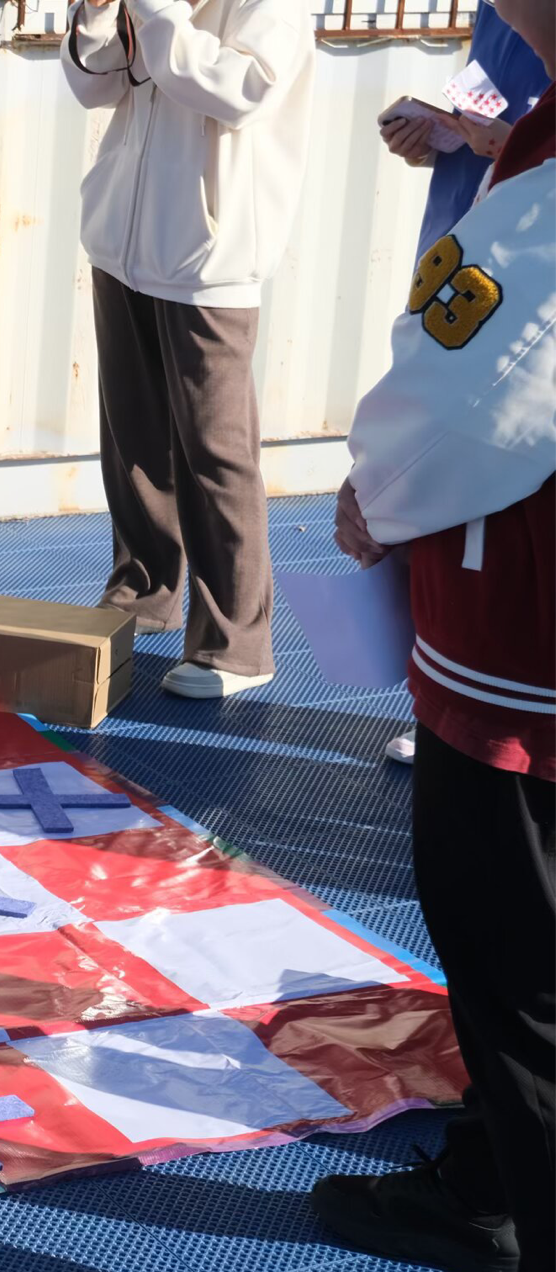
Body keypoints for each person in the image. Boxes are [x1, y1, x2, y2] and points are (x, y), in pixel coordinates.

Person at [317, 1, 556, 1272]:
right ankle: (489, 1177)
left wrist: (379, 490)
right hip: (508, 632)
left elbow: (481, 392)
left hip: (520, 651)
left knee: (515, 965)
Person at [62, 0, 315, 698]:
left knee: (215, 452)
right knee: (132, 435)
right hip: (121, 240)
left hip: (211, 256)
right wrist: (97, 15)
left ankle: (236, 646)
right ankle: (144, 593)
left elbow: (241, 91)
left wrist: (155, 10)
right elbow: (93, 87)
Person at [376, 2, 545, 766]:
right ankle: (441, 699)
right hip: (463, 274)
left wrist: (504, 139)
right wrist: (442, 137)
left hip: (511, 298)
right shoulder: (491, 14)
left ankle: (473, 712)